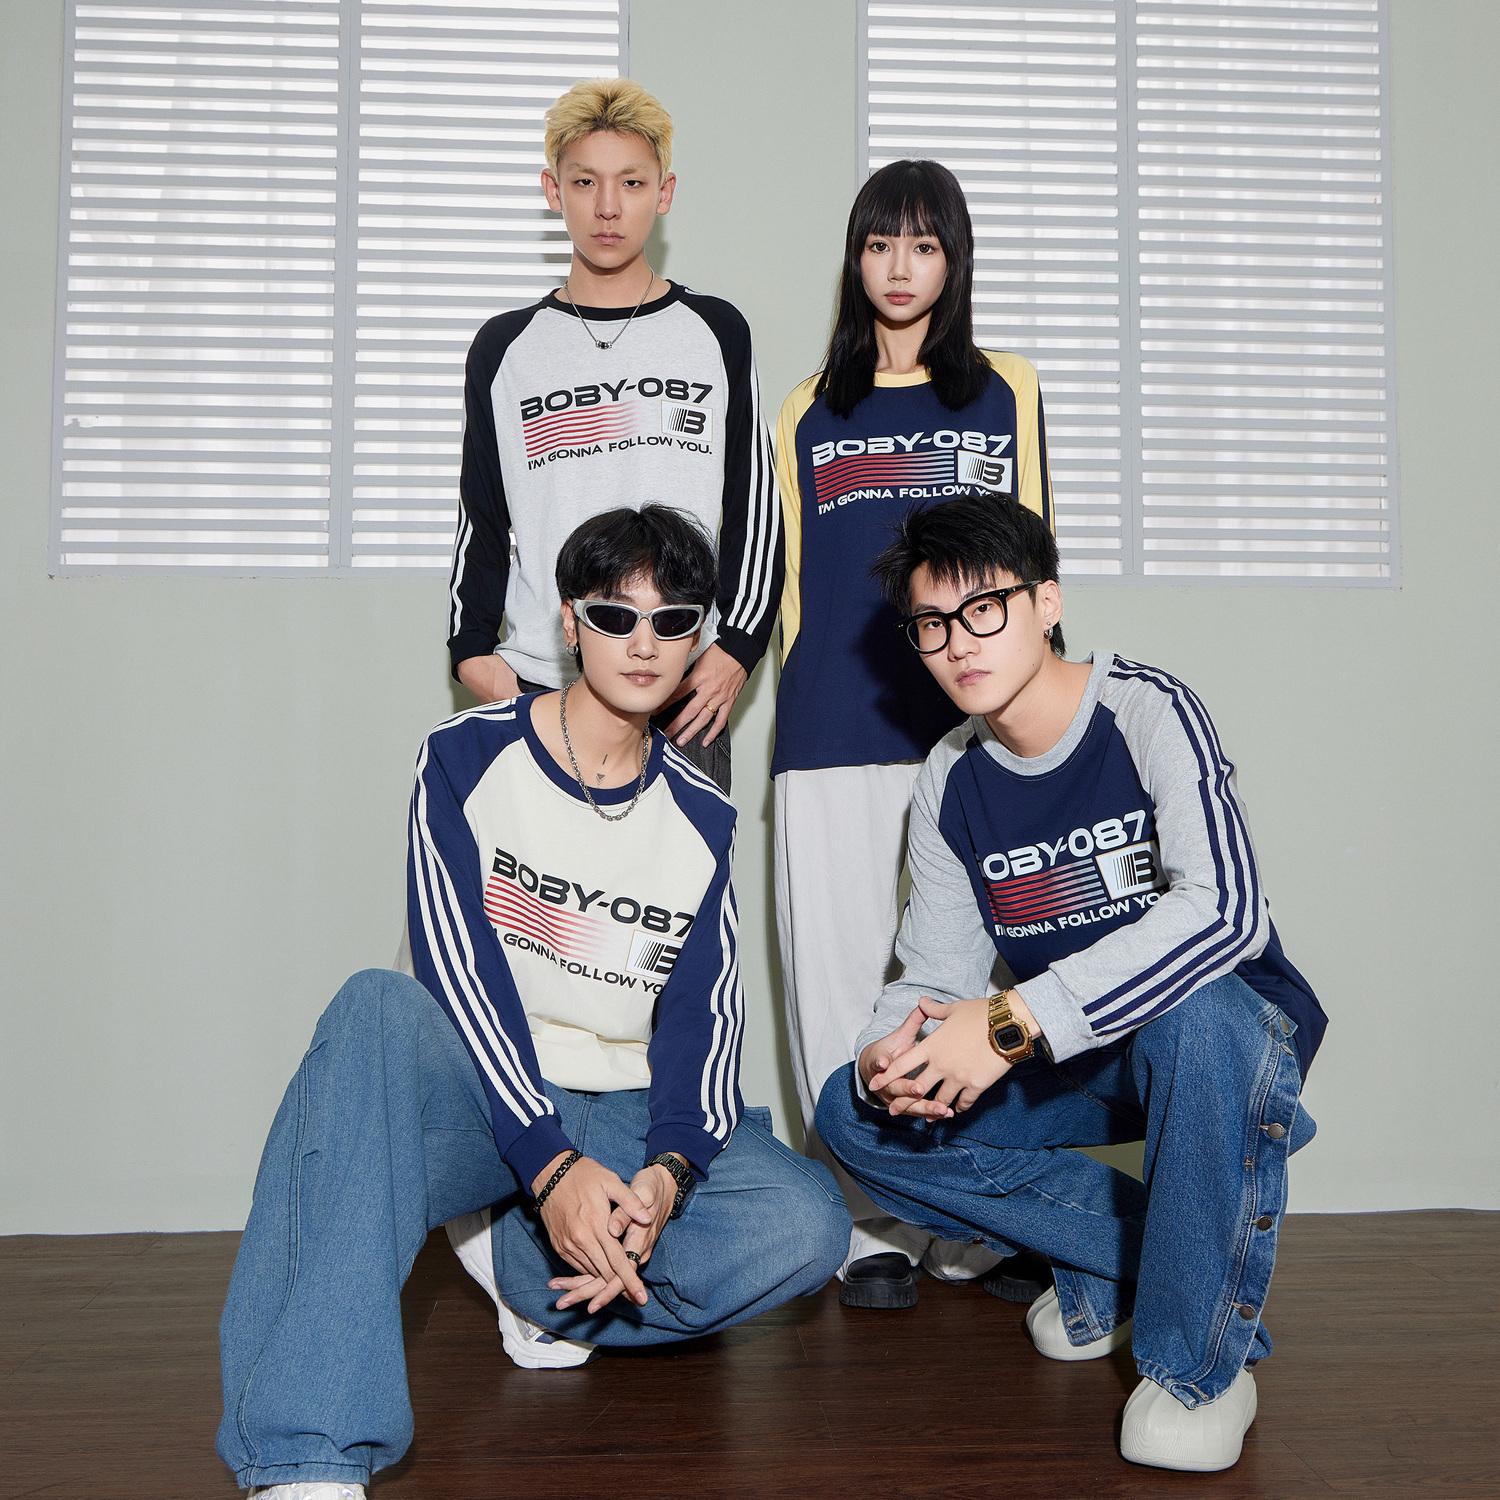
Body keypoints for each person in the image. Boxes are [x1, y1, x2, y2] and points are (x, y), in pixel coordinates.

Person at [218, 507, 847, 1499]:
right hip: (484, 1094)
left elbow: (703, 1025)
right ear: (569, 621)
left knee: (805, 1225)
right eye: (614, 615)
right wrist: (547, 1161)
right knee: (373, 1009)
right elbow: (457, 967)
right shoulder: (466, 755)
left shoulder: (705, 818)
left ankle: (545, 1283)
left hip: (620, 1110)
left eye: (673, 621)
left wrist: (667, 1176)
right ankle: (309, 1454)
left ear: (698, 638)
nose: (643, 643)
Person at [814, 494, 1326, 1473]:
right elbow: (935, 971)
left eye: (984, 608)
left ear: (1046, 601)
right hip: (1076, 1053)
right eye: (931, 624)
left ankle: (1197, 1367)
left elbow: (1225, 913)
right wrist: (893, 1047)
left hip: (1224, 1032)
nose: (959, 644)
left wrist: (1011, 1022)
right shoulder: (951, 776)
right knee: (852, 1112)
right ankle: (1140, 1265)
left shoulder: (1147, 709)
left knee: (1196, 1014)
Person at [770, 158, 1054, 1307]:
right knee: (836, 972)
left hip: (968, 725)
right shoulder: (808, 408)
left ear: (954, 259)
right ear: (856, 258)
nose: (899, 266)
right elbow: (793, 590)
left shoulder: (1006, 390)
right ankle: (865, 1214)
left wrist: (1034, 722)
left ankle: (961, 1209)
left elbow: (1031, 561)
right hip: (832, 724)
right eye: (880, 242)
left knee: (963, 977)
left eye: (924, 244)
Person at [446, 77, 782, 793]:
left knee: (681, 871)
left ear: (664, 194)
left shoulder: (716, 332)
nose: (607, 206)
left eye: (631, 182)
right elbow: (482, 518)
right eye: (584, 182)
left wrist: (737, 647)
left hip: (680, 689)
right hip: (543, 685)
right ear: (553, 191)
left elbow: (756, 504)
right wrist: (473, 649)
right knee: (530, 873)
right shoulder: (505, 348)